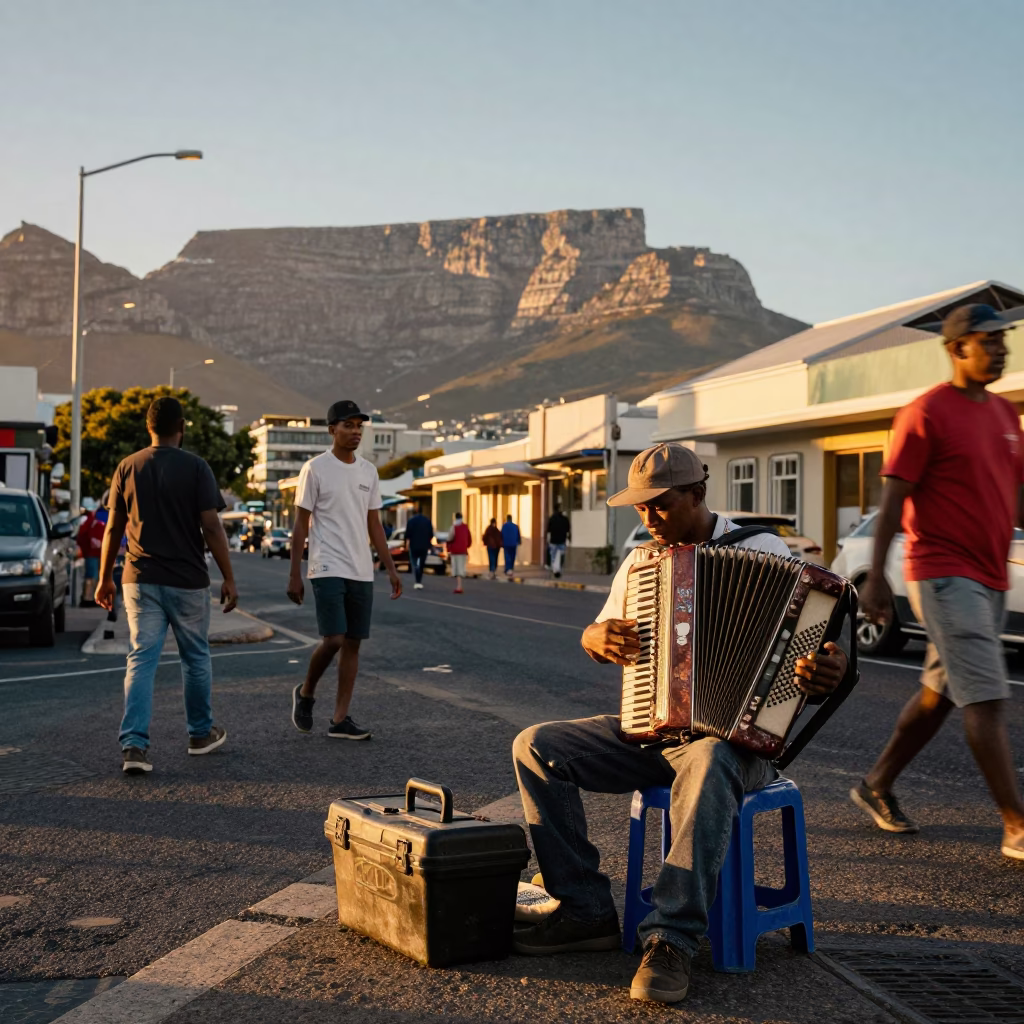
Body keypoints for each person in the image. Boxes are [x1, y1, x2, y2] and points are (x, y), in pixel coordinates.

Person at [511, 442, 849, 1003]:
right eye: (640, 509)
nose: (649, 520)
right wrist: (595, 638)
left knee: (712, 756)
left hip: (739, 742)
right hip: (651, 730)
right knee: (537, 746)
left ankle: (671, 939)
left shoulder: (762, 549)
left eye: (661, 506)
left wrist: (829, 669)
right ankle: (585, 909)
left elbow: (826, 648)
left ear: (698, 494)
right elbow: (599, 632)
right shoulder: (642, 561)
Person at [854, 304, 1024, 862]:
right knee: (988, 696)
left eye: (1003, 340)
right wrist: (876, 577)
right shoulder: (925, 413)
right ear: (956, 349)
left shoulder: (1004, 414)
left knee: (939, 695)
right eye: (988, 341)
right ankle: (1016, 826)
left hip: (992, 575)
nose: (1000, 349)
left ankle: (876, 784)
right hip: (945, 574)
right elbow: (893, 502)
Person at [96, 396, 237, 775]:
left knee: (141, 658)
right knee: (195, 658)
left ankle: (134, 746)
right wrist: (228, 576)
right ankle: (199, 735)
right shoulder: (196, 467)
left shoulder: (127, 467)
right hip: (188, 581)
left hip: (139, 579)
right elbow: (211, 526)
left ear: (149, 427)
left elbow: (113, 529)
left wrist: (104, 577)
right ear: (183, 427)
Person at [288, 400, 402, 740]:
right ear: (332, 430)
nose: (355, 432)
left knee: (353, 643)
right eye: (348, 425)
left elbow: (375, 525)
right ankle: (306, 692)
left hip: (361, 568)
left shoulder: (368, 471)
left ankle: (339, 720)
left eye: (359, 427)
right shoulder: (315, 468)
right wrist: (295, 572)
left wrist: (391, 568)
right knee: (334, 638)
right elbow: (300, 524)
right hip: (326, 565)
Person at [76, 496, 108, 606]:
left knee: (92, 575)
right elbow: (87, 536)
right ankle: (88, 598)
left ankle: (89, 597)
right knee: (91, 576)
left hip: (92, 552)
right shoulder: (88, 520)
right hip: (91, 552)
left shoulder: (87, 519)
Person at [404, 507, 435, 591]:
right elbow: (431, 534)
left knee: (414, 562)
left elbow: (407, 535)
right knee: (421, 564)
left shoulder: (411, 521)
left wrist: (406, 545)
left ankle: (416, 574)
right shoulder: (427, 521)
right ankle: (419, 580)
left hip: (413, 545)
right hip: (424, 546)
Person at [447, 512, 471, 594]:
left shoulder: (454, 527)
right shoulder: (465, 527)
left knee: (457, 570)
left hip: (455, 551)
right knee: (461, 568)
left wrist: (448, 546)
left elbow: (450, 537)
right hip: (463, 550)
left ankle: (459, 586)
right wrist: (466, 546)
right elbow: (469, 538)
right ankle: (459, 586)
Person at [546, 504, 571, 578]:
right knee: (561, 556)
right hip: (562, 540)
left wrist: (548, 540)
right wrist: (569, 538)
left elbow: (548, 530)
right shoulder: (565, 519)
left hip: (553, 540)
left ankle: (555, 570)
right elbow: (568, 529)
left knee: (553, 556)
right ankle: (559, 569)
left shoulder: (552, 518)